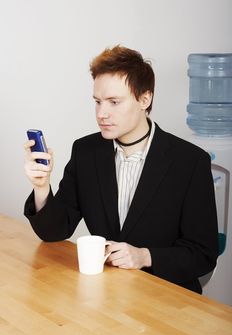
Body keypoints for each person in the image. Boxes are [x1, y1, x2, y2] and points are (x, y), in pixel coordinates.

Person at [24, 45, 218, 293]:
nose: (101, 113)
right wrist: (41, 187)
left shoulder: (190, 162)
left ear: (144, 99)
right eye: (97, 102)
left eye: (114, 102)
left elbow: (203, 254)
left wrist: (144, 256)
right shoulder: (86, 151)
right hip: (107, 292)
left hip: (168, 297)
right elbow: (54, 231)